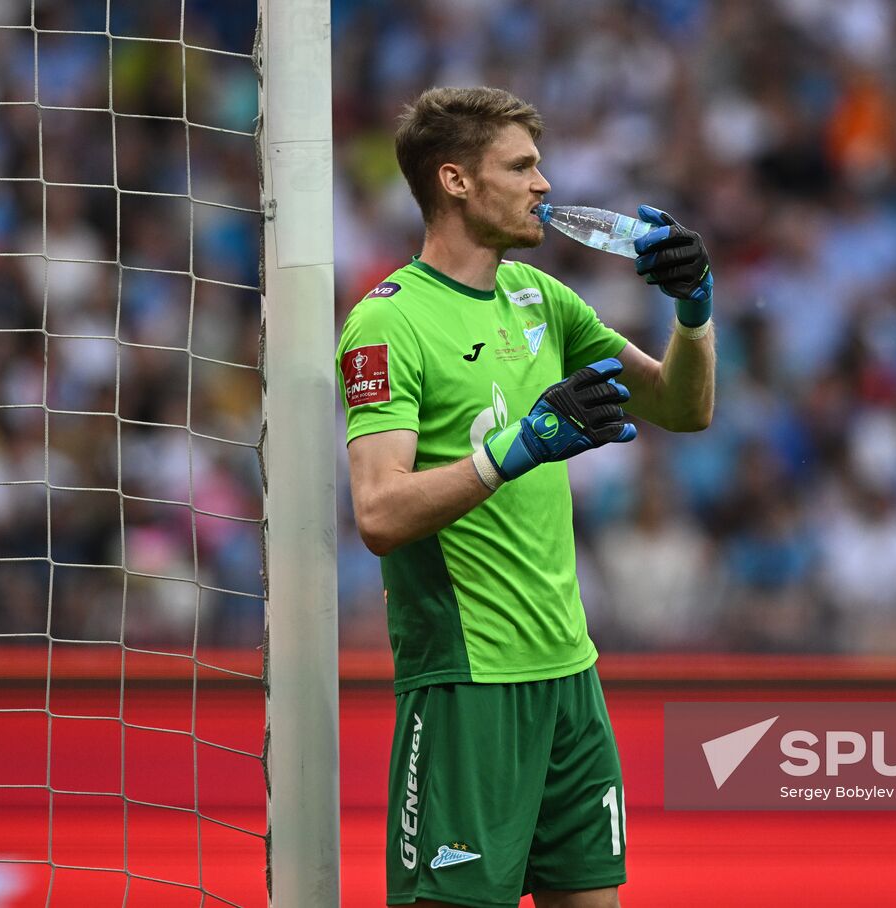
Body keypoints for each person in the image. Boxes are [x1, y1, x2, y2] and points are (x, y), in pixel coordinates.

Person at [337, 86, 715, 908]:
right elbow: (377, 514)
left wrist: (692, 311)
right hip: (468, 683)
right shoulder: (388, 324)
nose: (545, 183)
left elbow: (684, 409)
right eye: (522, 166)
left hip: (571, 676)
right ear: (456, 181)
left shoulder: (541, 300)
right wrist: (511, 454)